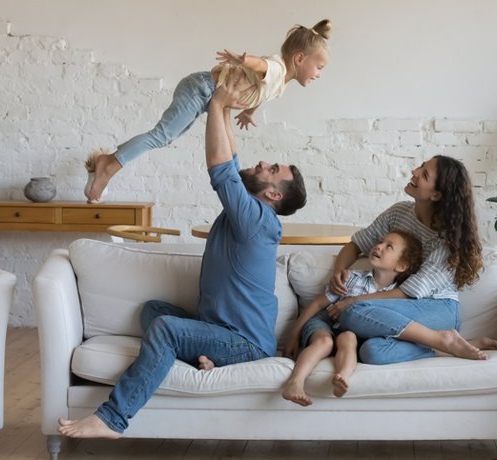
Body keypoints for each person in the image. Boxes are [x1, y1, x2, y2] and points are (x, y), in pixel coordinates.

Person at [57, 70, 307, 439]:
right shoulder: (250, 209)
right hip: (218, 330)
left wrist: (219, 103)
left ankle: (112, 418)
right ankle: (206, 358)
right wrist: (218, 109)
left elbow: (221, 170)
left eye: (272, 170)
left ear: (273, 195)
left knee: (166, 328)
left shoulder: (257, 219)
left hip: (246, 343)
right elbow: (232, 159)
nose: (263, 163)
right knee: (153, 310)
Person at [84, 19, 331, 203]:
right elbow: (261, 65)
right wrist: (244, 60)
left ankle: (111, 160)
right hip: (202, 88)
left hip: (204, 93)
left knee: (165, 136)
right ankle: (108, 165)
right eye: (318, 67)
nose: (319, 74)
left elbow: (260, 91)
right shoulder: (276, 68)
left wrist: (249, 113)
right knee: (162, 135)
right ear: (299, 59)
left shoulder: (279, 84)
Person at [326, 155, 497, 366]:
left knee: (352, 313)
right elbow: (356, 245)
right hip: (399, 307)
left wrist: (354, 300)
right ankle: (444, 345)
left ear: (436, 194)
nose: (414, 172)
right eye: (420, 167)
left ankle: (444, 337)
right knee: (371, 352)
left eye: (424, 174)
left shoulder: (447, 240)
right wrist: (338, 270)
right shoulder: (398, 213)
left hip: (438, 309)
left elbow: (407, 293)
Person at [282, 230, 423, 407]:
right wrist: (294, 335)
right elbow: (318, 304)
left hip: (350, 335)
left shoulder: (394, 297)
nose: (378, 246)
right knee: (325, 342)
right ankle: (295, 382)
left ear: (401, 265)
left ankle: (342, 378)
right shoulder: (351, 279)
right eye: (380, 241)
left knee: (348, 338)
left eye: (389, 246)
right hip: (325, 322)